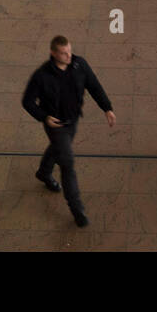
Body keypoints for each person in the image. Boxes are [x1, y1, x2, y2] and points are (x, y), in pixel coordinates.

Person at [21, 35, 116, 228]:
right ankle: (76, 209)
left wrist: (107, 108)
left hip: (72, 120)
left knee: (58, 149)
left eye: (69, 51)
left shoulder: (79, 65)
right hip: (56, 126)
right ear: (53, 53)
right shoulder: (42, 76)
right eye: (64, 53)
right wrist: (44, 117)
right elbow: (27, 101)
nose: (68, 56)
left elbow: (94, 85)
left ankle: (44, 172)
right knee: (67, 163)